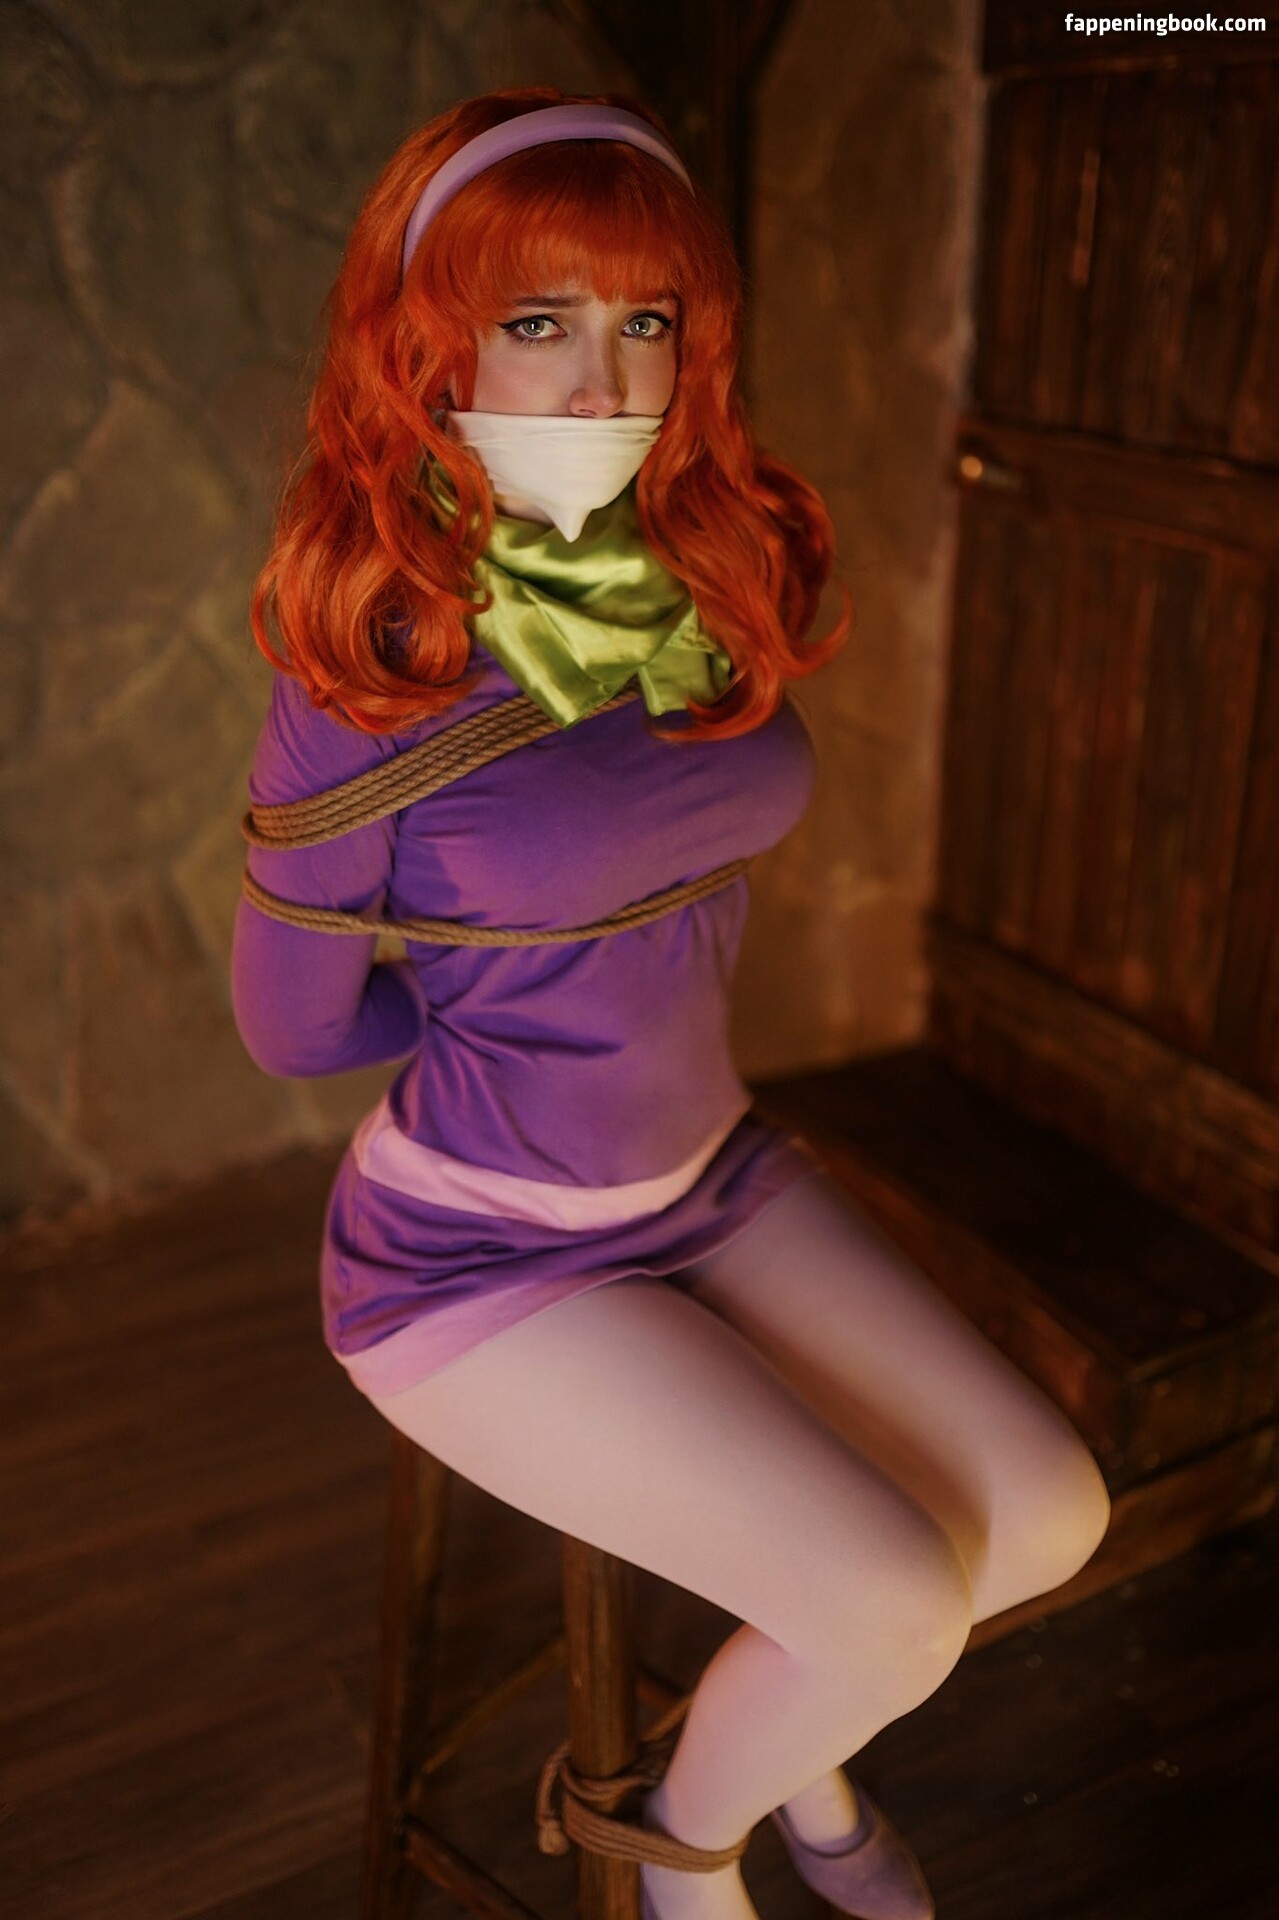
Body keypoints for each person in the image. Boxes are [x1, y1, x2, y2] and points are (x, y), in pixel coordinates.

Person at [231, 87, 1110, 1920]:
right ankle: (680, 1848)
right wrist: (487, 1014)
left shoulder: (696, 579)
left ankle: (769, 1740)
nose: (600, 379)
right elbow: (296, 1030)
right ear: (429, 343)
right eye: (535, 321)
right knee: (892, 1599)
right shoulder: (368, 677)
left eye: (645, 319)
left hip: (711, 1172)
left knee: (1048, 1515)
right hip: (475, 1252)